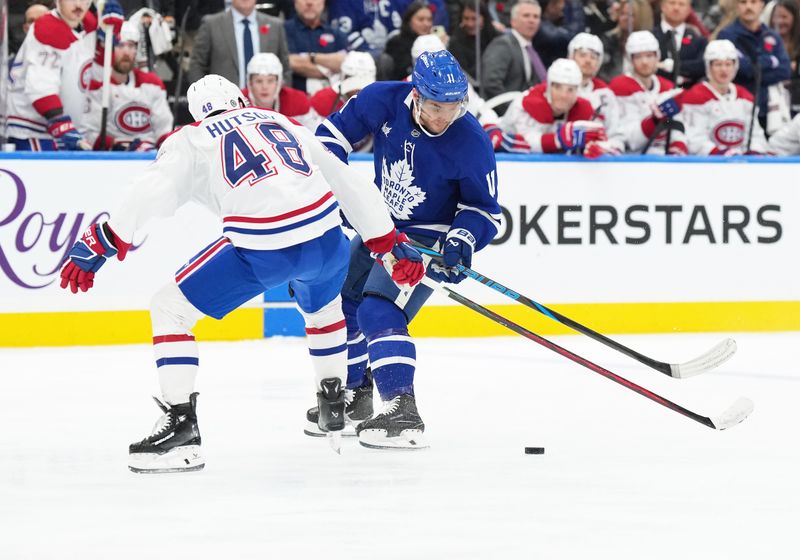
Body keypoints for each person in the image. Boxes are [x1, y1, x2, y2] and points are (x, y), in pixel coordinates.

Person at [58, 74, 425, 472]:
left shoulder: (191, 136)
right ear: (239, 98)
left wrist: (109, 236)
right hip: (327, 238)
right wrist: (386, 241)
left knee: (169, 309)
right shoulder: (278, 120)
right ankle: (333, 400)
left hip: (266, 247)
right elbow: (345, 178)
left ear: (196, 112)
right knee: (322, 312)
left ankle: (181, 428)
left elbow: (153, 190)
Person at [313, 51, 501, 449]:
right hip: (380, 225)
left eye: (453, 107)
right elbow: (327, 142)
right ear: (415, 94)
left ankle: (403, 409)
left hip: (427, 239)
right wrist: (345, 196)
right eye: (435, 106)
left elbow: (485, 210)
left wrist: (461, 240)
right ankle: (355, 397)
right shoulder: (381, 99)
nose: (443, 117)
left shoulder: (471, 141)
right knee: (341, 301)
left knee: (378, 309)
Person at [5, 0, 123, 151]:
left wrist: (106, 42)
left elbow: (95, 77)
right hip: (33, 131)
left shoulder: (89, 24)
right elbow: (41, 89)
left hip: (66, 128)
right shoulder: (47, 27)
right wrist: (62, 126)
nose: (79, 5)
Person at [82, 21, 174, 151]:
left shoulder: (152, 84)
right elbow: (90, 133)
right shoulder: (98, 84)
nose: (126, 52)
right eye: (120, 45)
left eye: (131, 46)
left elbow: (164, 130)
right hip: (112, 160)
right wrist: (116, 147)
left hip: (148, 158)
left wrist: (169, 148)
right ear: (109, 48)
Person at [499, 58, 607, 154]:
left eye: (570, 89)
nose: (564, 95)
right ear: (549, 87)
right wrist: (557, 140)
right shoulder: (527, 104)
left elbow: (602, 138)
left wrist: (596, 148)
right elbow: (526, 143)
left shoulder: (584, 109)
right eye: (558, 87)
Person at [681, 39, 769, 154]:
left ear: (735, 66)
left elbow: (756, 135)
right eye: (718, 64)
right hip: (709, 165)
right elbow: (694, 139)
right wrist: (719, 154)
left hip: (741, 164)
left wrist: (754, 152)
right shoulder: (695, 96)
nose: (724, 69)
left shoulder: (745, 96)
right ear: (709, 66)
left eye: (728, 64)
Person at [609, 30, 688, 154]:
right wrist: (654, 121)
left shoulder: (667, 86)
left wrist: (677, 144)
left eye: (649, 55)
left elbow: (677, 124)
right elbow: (629, 139)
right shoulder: (620, 86)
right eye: (638, 56)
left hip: (664, 156)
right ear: (631, 59)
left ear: (657, 56)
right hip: (633, 160)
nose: (644, 62)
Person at [718, 0, 792, 126]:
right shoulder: (727, 35)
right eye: (743, 2)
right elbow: (740, 70)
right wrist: (770, 61)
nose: (748, 6)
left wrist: (753, 71)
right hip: (737, 107)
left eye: (753, 2)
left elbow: (785, 71)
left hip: (767, 110)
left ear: (761, 5)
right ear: (737, 5)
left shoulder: (771, 35)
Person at [188, 0, 290, 89]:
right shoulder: (212, 24)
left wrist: (280, 96)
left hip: (266, 106)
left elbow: (285, 69)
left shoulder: (275, 26)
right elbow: (196, 65)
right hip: (224, 104)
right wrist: (205, 95)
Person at [481, 0, 546, 113]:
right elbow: (491, 84)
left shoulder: (530, 49)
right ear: (513, 21)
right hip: (501, 115)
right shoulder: (503, 44)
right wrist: (513, 111)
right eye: (526, 15)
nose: (532, 20)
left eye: (536, 17)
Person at [568, 32, 625, 154]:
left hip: (598, 163)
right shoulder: (557, 89)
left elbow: (617, 135)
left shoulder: (605, 94)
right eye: (582, 55)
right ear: (571, 57)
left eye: (593, 57)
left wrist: (603, 148)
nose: (588, 61)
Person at [285, 0, 348, 94]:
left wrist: (312, 57)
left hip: (331, 99)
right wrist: (330, 69)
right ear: (295, 2)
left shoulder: (337, 34)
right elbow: (291, 62)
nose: (309, 2)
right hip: (295, 98)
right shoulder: (283, 30)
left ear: (323, 2)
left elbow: (344, 63)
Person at [243, 53, 317, 129]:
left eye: (270, 81)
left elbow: (312, 134)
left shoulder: (297, 101)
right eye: (259, 81)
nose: (264, 87)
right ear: (250, 83)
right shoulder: (237, 101)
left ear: (279, 82)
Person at [309, 50, 377, 122]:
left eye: (362, 88)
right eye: (354, 87)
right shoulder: (322, 100)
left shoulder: (380, 102)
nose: (357, 91)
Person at [654, 0, 709, 87]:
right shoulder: (650, 36)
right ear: (662, 6)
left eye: (681, 4)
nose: (676, 8)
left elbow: (701, 67)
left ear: (689, 10)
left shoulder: (699, 40)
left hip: (689, 93)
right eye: (672, 3)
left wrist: (670, 66)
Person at [448, 0, 501, 81]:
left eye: (474, 18)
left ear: (484, 18)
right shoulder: (456, 41)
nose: (470, 24)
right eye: (466, 18)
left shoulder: (495, 37)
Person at [381, 1, 435, 81]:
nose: (426, 24)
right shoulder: (396, 43)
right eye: (421, 19)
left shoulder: (434, 42)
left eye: (429, 20)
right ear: (409, 21)